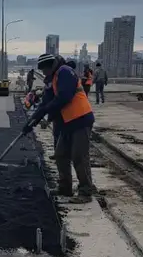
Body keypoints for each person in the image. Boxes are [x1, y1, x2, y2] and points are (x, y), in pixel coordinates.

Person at [22, 54, 95, 204]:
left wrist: (46, 111)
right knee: (61, 154)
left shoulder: (65, 72)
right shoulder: (51, 79)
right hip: (66, 122)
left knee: (79, 156)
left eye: (44, 70)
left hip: (80, 119)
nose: (43, 73)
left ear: (51, 66)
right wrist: (31, 122)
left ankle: (86, 191)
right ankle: (65, 187)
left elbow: (64, 97)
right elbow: (44, 104)